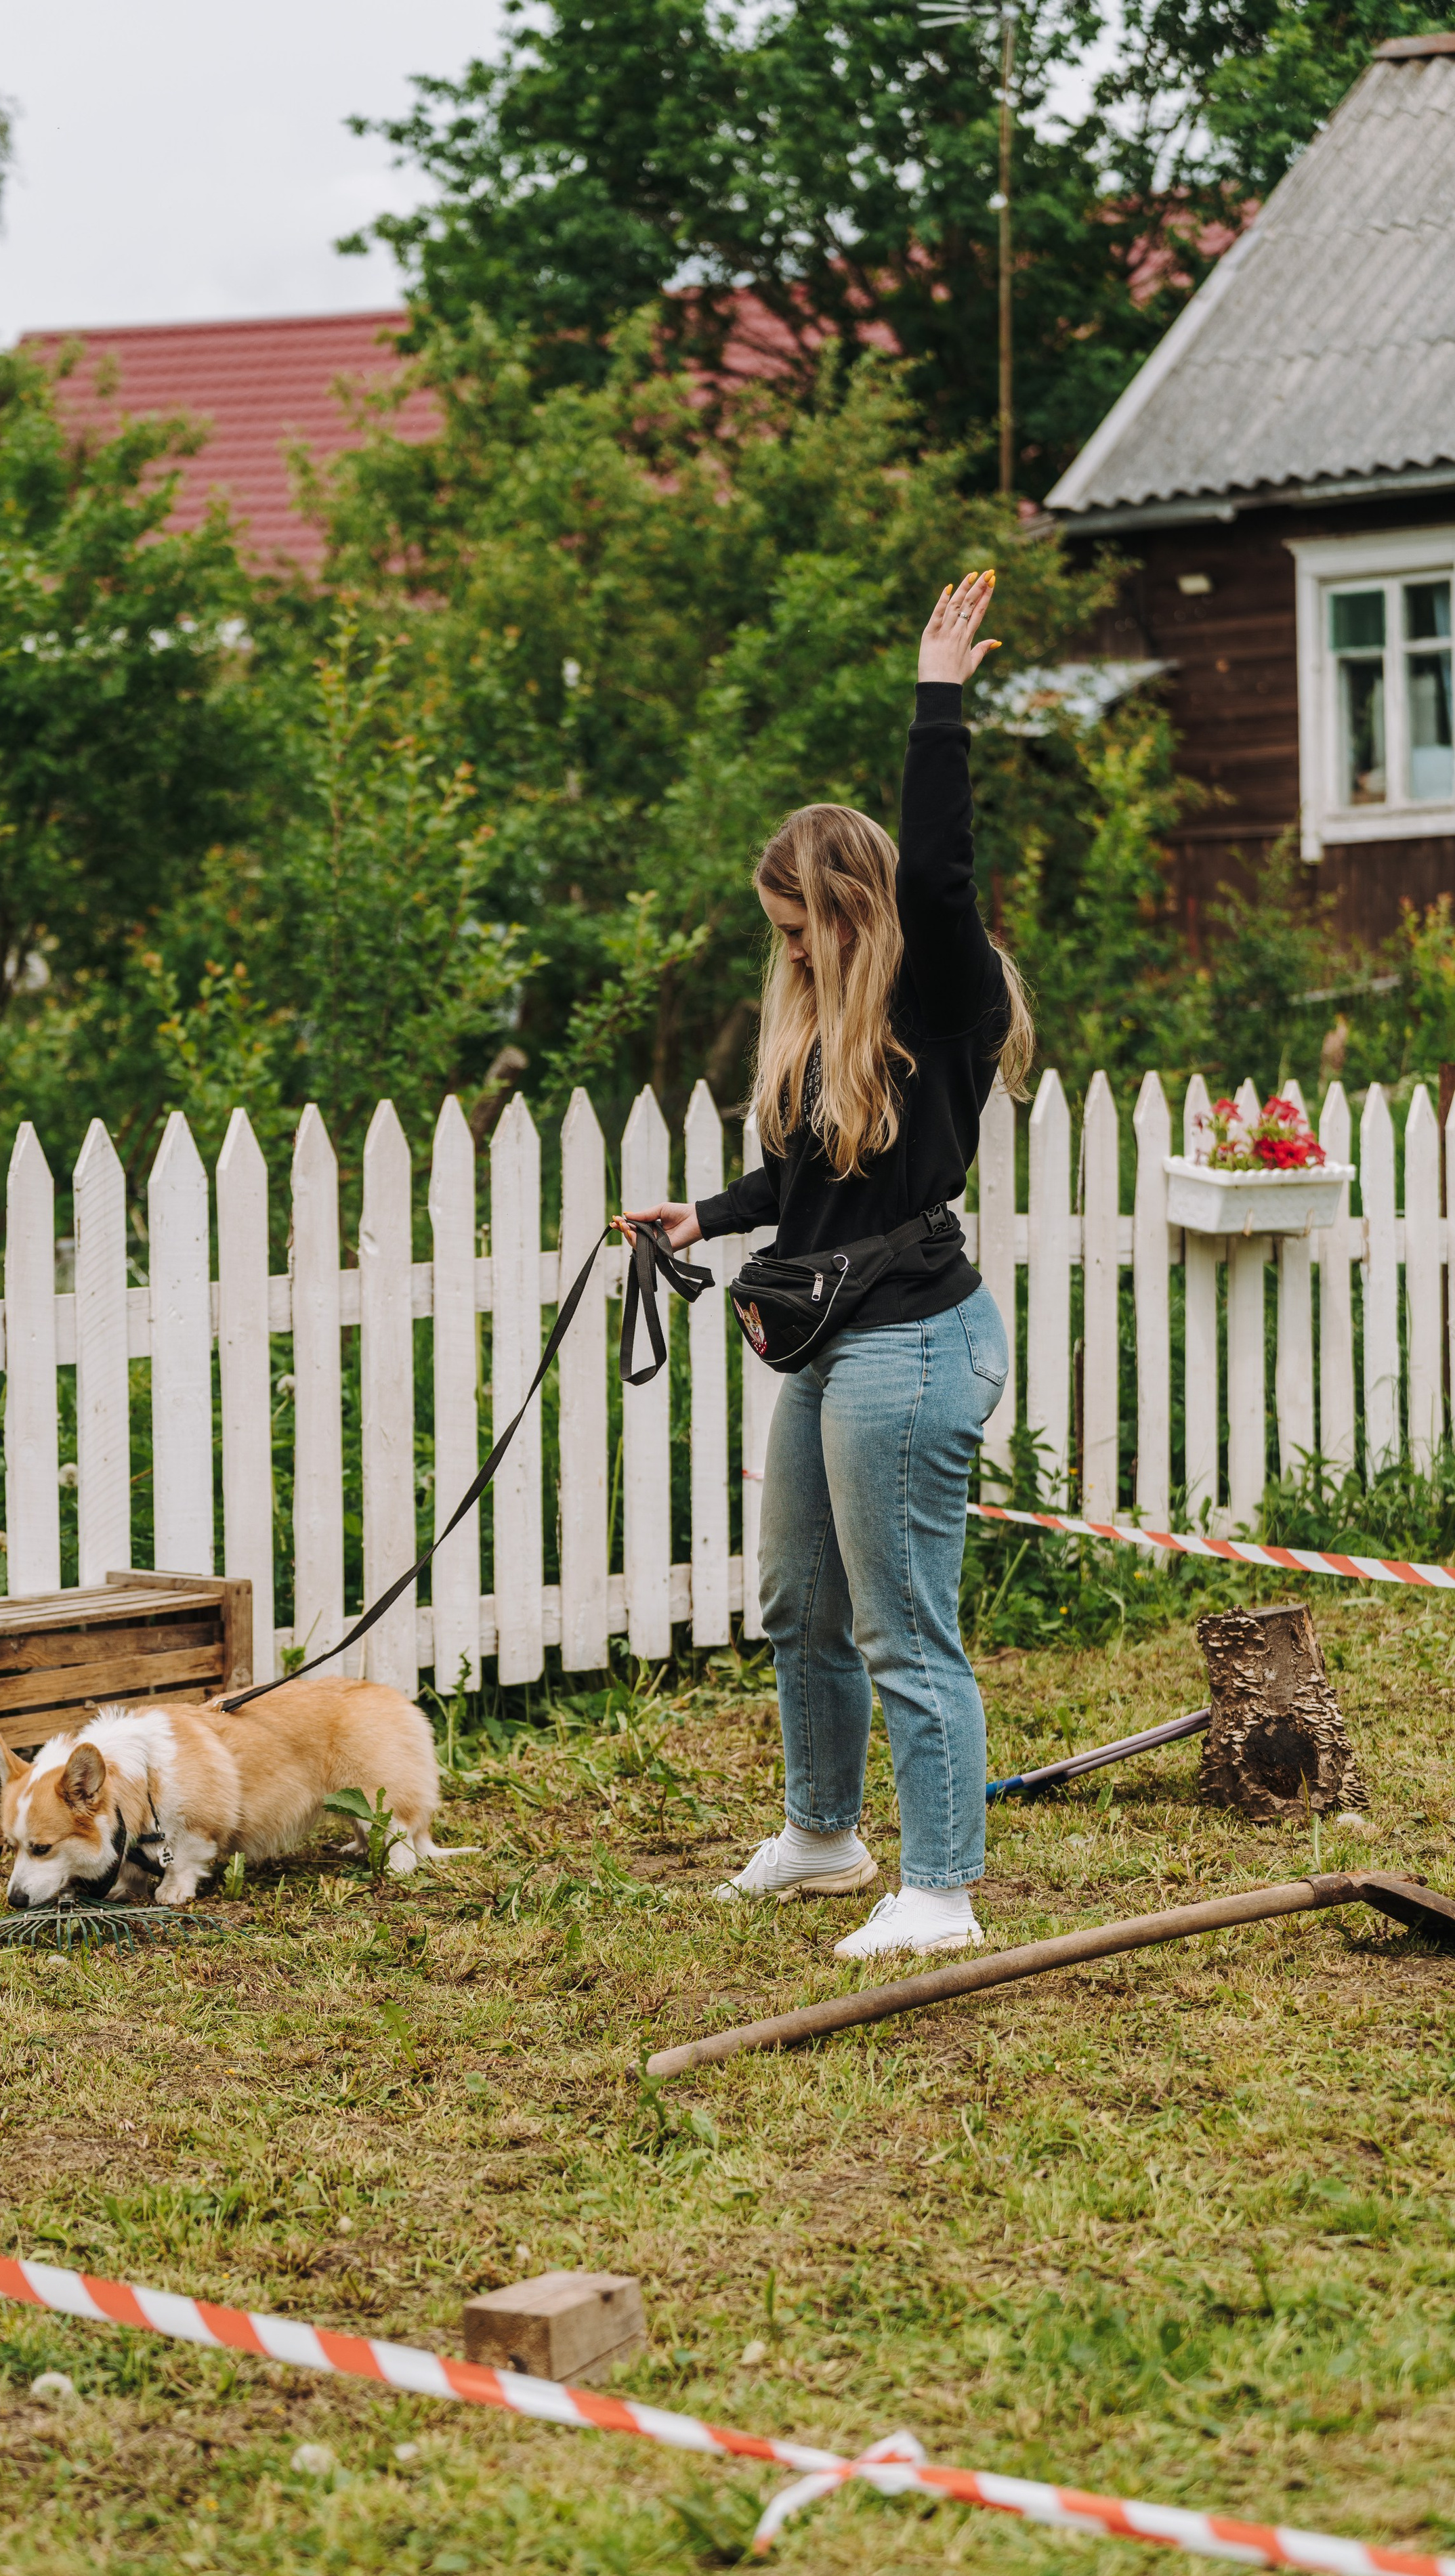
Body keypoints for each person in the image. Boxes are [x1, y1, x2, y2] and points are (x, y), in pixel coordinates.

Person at [618, 570, 1032, 1959]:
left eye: (797, 923)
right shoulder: (818, 1030)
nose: (783, 946)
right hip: (833, 1340)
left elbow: (939, 862)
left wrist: (937, 697)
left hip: (914, 1341)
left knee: (903, 1624)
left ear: (852, 904)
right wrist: (705, 1215)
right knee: (802, 1596)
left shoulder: (940, 989)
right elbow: (806, 1181)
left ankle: (941, 1890)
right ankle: (821, 1832)